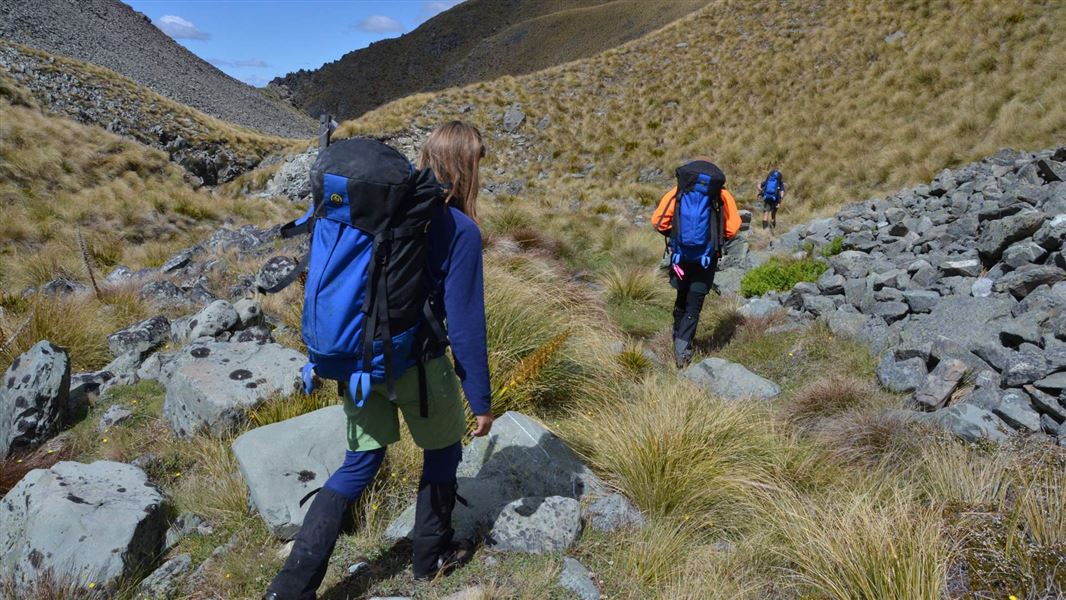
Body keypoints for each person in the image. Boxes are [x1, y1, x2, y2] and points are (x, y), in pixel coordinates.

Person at [264, 121, 493, 600]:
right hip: (421, 366)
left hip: (361, 363)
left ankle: (290, 588)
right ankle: (430, 558)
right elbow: (466, 322)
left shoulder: (375, 216)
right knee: (443, 452)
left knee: (360, 461)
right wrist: (481, 399)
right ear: (468, 167)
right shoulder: (461, 230)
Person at [651, 158, 741, 368]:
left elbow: (658, 221)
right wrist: (715, 239)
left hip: (680, 257)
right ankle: (683, 352)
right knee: (694, 302)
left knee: (681, 297)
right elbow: (733, 228)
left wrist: (675, 234)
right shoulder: (721, 195)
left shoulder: (679, 191)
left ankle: (677, 341)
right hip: (706, 259)